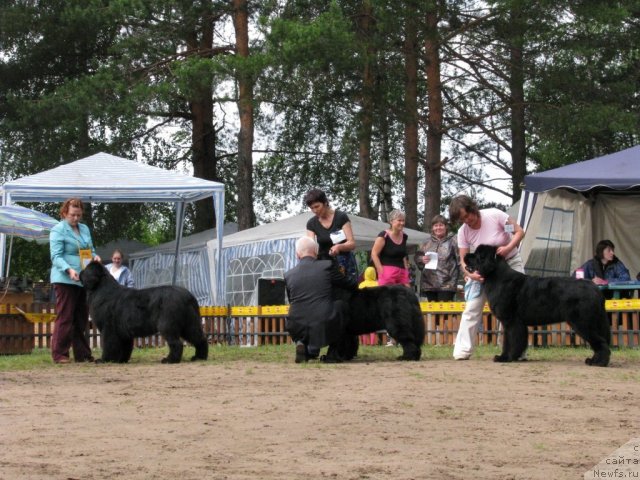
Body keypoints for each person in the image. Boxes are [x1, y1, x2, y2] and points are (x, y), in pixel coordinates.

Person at [449, 195, 525, 360]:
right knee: (472, 307)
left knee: (516, 309)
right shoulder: (463, 231)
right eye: (461, 219)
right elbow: (463, 259)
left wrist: (508, 247)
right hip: (485, 272)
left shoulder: (494, 215)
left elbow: (519, 231)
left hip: (510, 263)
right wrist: (470, 275)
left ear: (472, 208)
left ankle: (515, 352)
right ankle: (462, 350)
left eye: (467, 216)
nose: (466, 221)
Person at [284, 236, 358, 363]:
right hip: (324, 324)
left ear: (297, 254)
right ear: (316, 252)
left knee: (301, 309)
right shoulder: (327, 266)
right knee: (342, 306)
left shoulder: (288, 274)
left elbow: (292, 300)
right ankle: (334, 353)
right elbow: (349, 284)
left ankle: (302, 344)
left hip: (296, 325)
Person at [49, 198, 101, 364]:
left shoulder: (84, 229)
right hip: (65, 278)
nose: (76, 218)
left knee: (81, 317)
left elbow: (90, 250)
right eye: (72, 215)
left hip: (83, 279)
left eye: (79, 215)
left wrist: (95, 257)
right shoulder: (58, 230)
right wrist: (69, 270)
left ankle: (83, 354)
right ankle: (59, 354)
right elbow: (56, 256)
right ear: (65, 213)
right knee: (66, 316)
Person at [370, 209, 410, 346]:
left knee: (403, 303)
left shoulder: (405, 236)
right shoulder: (383, 235)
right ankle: (390, 337)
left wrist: (406, 274)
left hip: (401, 273)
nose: (401, 223)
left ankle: (401, 336)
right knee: (388, 305)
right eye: (399, 220)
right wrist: (381, 271)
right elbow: (374, 254)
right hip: (387, 272)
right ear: (391, 222)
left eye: (403, 220)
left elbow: (403, 256)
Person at [304, 189, 358, 281]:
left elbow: (352, 243)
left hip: (345, 262)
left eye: (317, 206)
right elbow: (311, 247)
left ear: (325, 202)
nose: (314, 210)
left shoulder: (341, 217)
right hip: (324, 264)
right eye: (311, 208)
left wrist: (339, 247)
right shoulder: (311, 223)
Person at [415, 214, 460, 302]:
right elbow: (417, 258)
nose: (438, 228)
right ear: (432, 228)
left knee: (444, 313)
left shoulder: (454, 241)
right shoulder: (426, 242)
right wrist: (421, 259)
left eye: (441, 225)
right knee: (433, 313)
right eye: (436, 225)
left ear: (446, 227)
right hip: (429, 284)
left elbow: (460, 260)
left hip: (447, 284)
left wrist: (467, 274)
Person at [358, 266, 379, 346]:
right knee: (372, 328)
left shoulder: (361, 285)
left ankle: (364, 343)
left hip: (363, 309)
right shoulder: (378, 284)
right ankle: (372, 343)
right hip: (374, 309)